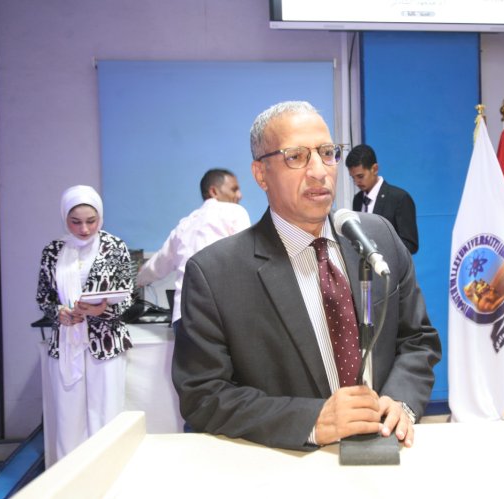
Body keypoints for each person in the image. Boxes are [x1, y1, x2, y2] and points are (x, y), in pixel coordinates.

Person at [172, 101, 441, 451]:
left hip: (384, 451)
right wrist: (311, 420)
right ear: (261, 174)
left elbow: (417, 339)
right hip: (287, 461)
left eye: (327, 153)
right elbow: (204, 395)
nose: (318, 171)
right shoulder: (215, 274)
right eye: (296, 157)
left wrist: (401, 400)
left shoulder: (379, 238)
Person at [36, 185, 134, 462]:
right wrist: (59, 313)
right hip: (67, 343)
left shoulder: (115, 247)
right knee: (69, 417)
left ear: (100, 217)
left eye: (91, 221)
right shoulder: (53, 250)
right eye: (75, 222)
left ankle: (108, 471)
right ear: (64, 218)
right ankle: (72, 476)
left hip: (106, 344)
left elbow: (128, 297)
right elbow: (44, 297)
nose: (84, 229)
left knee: (107, 414)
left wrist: (103, 309)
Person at [136, 169, 251, 331]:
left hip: (183, 318)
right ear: (214, 191)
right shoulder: (235, 211)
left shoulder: (184, 225)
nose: (240, 195)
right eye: (234, 189)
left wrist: (139, 278)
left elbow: (158, 265)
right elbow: (247, 259)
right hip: (221, 317)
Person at [346, 144, 419, 254]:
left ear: (375, 169)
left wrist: (378, 252)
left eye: (360, 176)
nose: (356, 182)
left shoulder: (399, 198)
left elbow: (410, 245)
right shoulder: (357, 199)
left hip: (390, 264)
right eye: (353, 178)